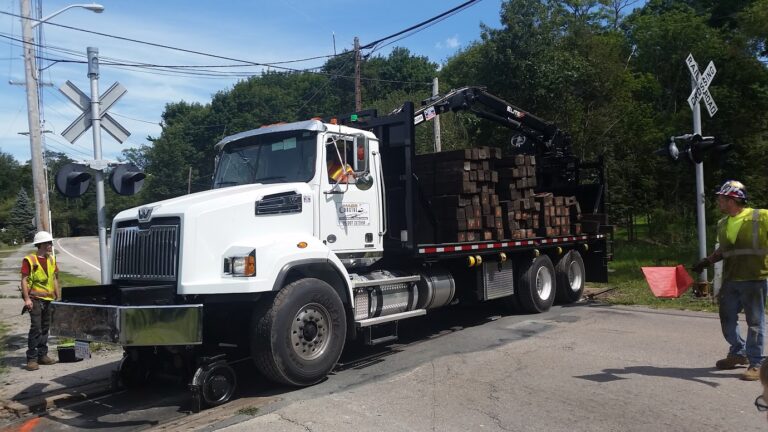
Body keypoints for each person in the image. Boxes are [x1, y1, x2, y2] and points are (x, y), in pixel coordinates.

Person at [693, 180, 768, 381]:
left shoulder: (760, 216)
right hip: (731, 279)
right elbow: (725, 250)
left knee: (755, 321)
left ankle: (757, 363)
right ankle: (738, 352)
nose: (718, 201)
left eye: (721, 198)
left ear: (733, 199)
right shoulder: (723, 223)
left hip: (755, 278)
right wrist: (707, 261)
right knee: (727, 318)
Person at [21, 231, 60, 371]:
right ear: (42, 244)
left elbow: (54, 278)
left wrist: (58, 295)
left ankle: (42, 356)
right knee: (36, 328)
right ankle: (31, 359)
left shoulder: (51, 259)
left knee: (45, 328)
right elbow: (24, 280)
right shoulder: (30, 260)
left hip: (48, 299)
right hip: (35, 299)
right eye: (49, 243)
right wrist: (26, 299)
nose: (51, 245)